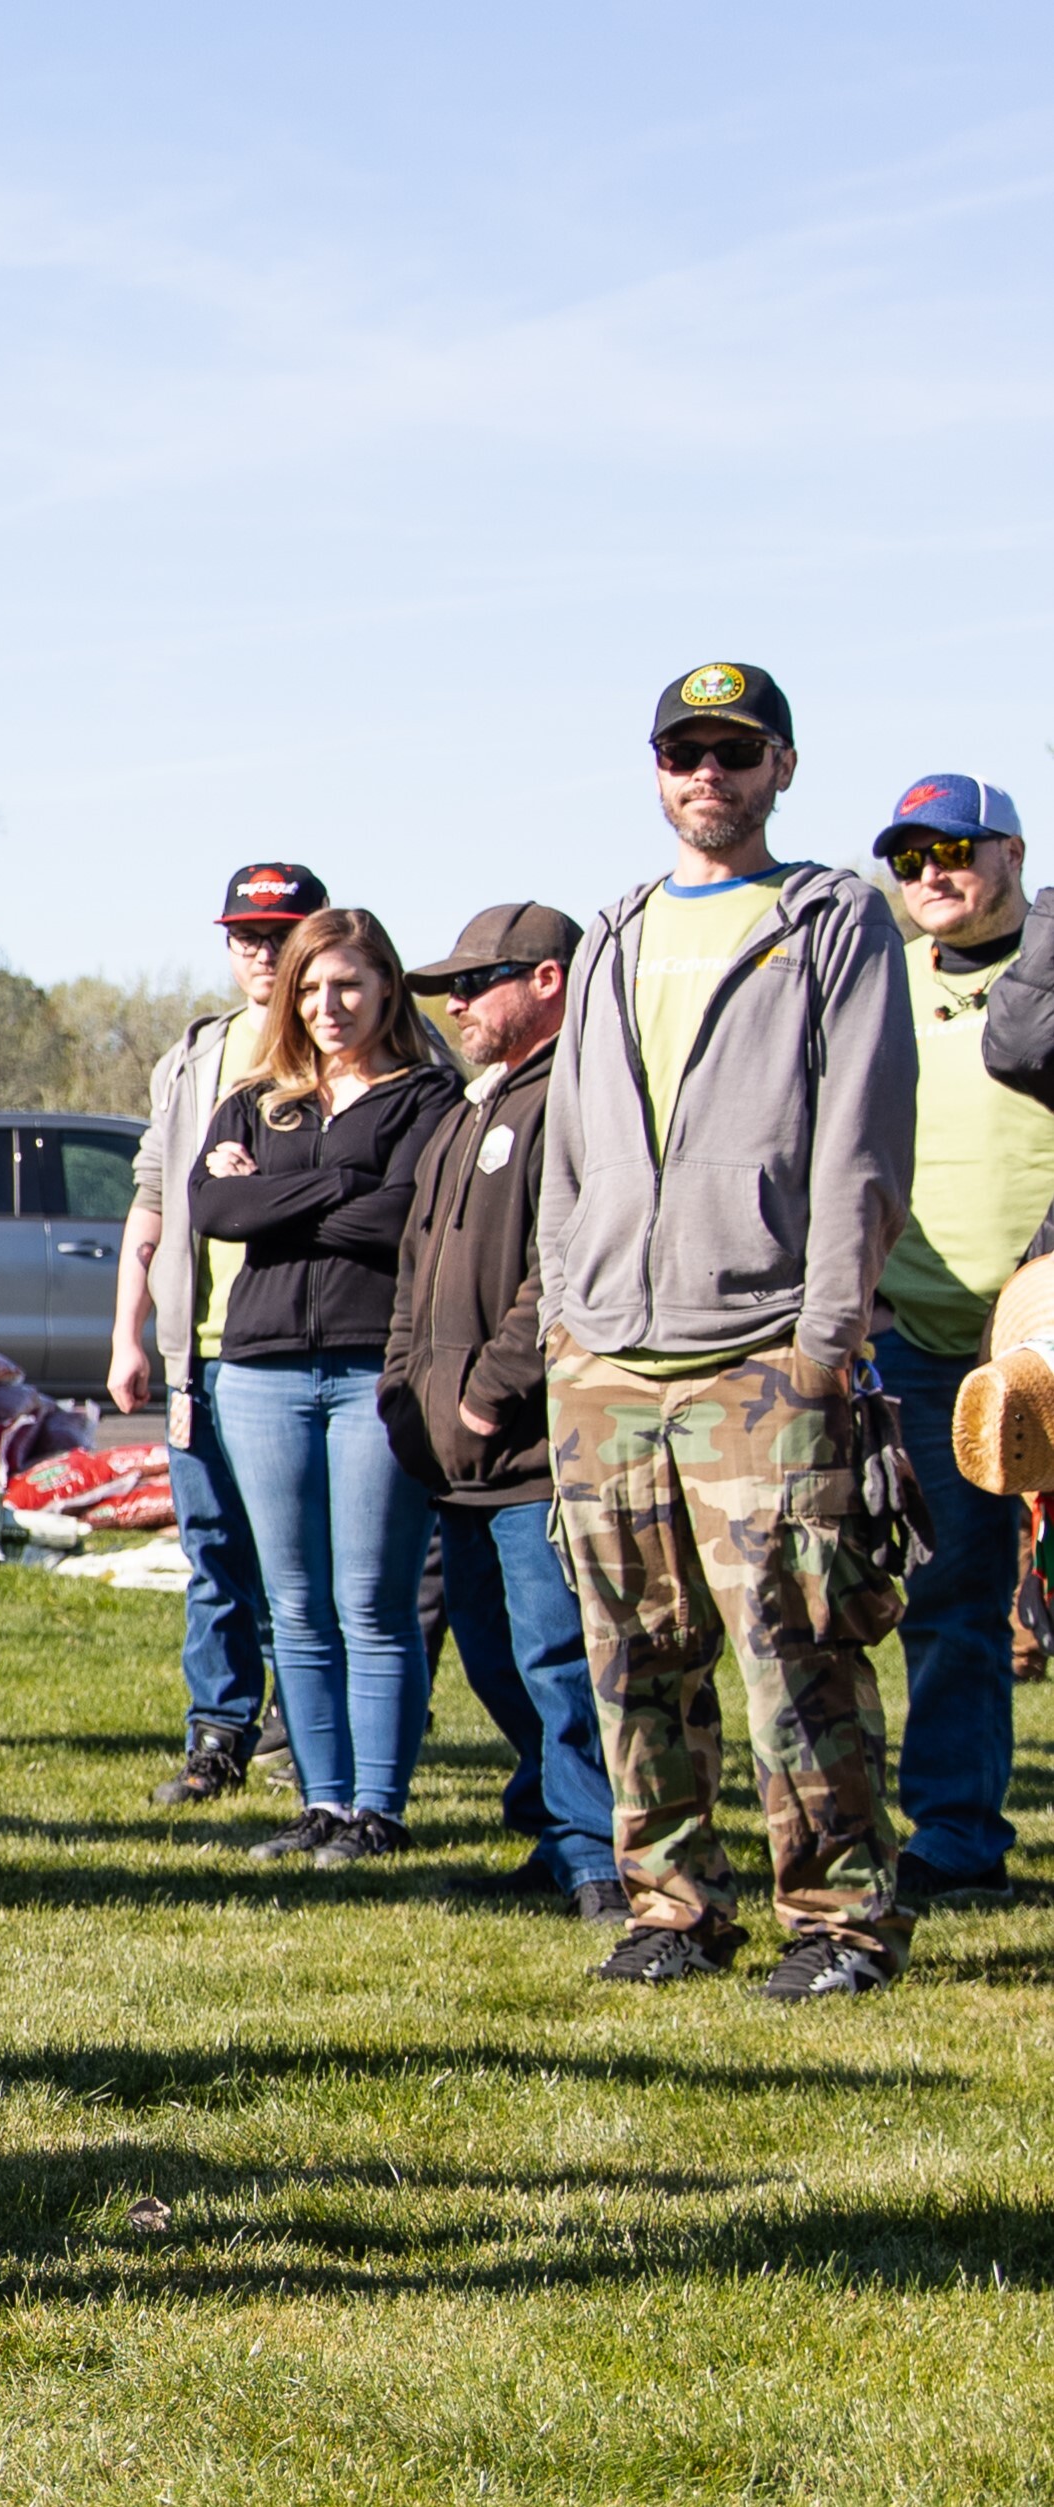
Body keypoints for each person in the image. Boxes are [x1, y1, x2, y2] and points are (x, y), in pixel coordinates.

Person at [537, 661, 916, 1999]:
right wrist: (562, 1321)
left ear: (781, 768)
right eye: (684, 753)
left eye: (735, 753)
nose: (708, 775)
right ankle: (672, 1907)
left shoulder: (829, 918)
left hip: (761, 1343)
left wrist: (823, 1334)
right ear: (655, 771)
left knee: (793, 1639)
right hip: (603, 1354)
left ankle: (837, 1918)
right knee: (630, 1649)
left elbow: (860, 1142)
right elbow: (568, 1150)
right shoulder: (616, 931)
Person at [193, 908, 456, 1866]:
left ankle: (377, 1810)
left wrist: (281, 1198)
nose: (327, 1004)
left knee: (373, 1600)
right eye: (309, 986)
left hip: (371, 1369)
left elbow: (412, 1217)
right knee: (295, 1602)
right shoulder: (258, 1100)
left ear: (387, 984)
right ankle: (321, 1802)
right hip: (258, 1371)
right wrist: (345, 1187)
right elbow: (215, 1207)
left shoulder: (429, 1097)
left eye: (346, 983)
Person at [381, 903, 627, 1921]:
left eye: (478, 982)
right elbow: (414, 1272)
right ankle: (551, 1828)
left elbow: (561, 1270)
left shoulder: (577, 1098)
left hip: (530, 1453)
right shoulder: (467, 1108)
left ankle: (602, 1854)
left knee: (557, 1655)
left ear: (550, 982)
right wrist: (406, 1385)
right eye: (449, 987)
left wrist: (489, 1392)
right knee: (491, 1654)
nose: (456, 1003)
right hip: (451, 1455)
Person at [861, 776, 1049, 1904]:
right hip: (931, 1343)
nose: (933, 870)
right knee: (953, 1597)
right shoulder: (884, 984)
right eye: (912, 854)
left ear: (1015, 851)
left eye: (957, 846)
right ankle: (958, 1835)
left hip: (1051, 1326)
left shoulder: (1053, 969)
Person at [114, 863, 322, 1806]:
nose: (265, 953)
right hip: (200, 1348)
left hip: (305, 1343)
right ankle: (220, 1732)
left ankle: (314, 1738)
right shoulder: (193, 1056)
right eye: (248, 936)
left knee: (303, 1555)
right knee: (214, 1549)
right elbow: (151, 1201)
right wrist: (129, 1334)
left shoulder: (347, 1041)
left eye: (283, 933)